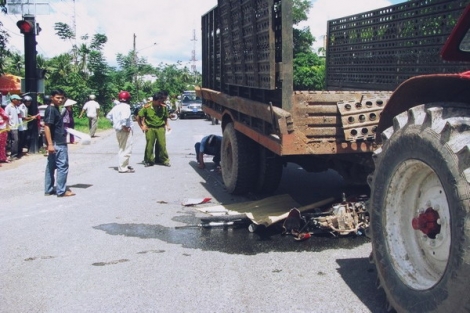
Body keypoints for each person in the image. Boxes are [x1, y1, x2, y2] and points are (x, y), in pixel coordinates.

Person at [44, 89, 75, 197]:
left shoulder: (56, 109)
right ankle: (61, 191)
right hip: (57, 142)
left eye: (62, 98)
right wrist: (50, 144)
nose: (60, 100)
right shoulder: (52, 109)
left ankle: (49, 189)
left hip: (56, 141)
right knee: (62, 166)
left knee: (51, 166)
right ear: (52, 97)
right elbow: (47, 126)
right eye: (58, 97)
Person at [136, 91, 171, 167]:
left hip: (160, 128)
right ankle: (149, 160)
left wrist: (166, 125)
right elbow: (138, 117)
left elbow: (165, 117)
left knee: (162, 145)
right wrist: (142, 126)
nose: (161, 103)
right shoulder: (147, 107)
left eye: (162, 101)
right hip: (150, 128)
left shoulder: (163, 107)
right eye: (159, 101)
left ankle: (164, 160)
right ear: (154, 100)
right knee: (149, 145)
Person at [106, 90, 135, 173]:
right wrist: (124, 126)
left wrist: (115, 122)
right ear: (128, 99)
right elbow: (124, 118)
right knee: (126, 149)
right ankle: (123, 168)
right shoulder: (126, 107)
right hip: (124, 131)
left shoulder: (117, 107)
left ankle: (124, 165)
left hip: (118, 130)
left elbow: (108, 116)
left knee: (122, 148)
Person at [5, 94, 22, 160]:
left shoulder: (16, 107)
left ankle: (15, 154)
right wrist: (7, 126)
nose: (19, 101)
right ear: (13, 100)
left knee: (15, 141)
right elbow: (6, 117)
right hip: (11, 126)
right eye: (17, 100)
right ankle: (13, 155)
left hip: (16, 126)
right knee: (14, 140)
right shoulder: (8, 107)